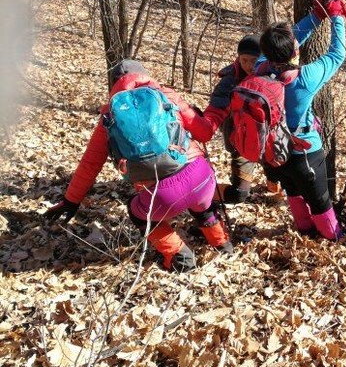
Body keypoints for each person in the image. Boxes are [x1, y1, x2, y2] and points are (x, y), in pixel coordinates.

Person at [45, 60, 230, 272]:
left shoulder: (110, 116)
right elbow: (204, 132)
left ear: (114, 83)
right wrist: (216, 111)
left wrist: (71, 200)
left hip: (162, 197)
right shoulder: (168, 96)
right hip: (202, 177)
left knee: (137, 212)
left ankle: (179, 256)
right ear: (145, 76)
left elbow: (90, 164)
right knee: (202, 204)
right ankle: (223, 245)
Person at [255, 0, 346, 240]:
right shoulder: (304, 79)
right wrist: (336, 17)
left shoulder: (259, 69)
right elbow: (337, 54)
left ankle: (305, 232)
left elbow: (288, 42)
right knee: (321, 203)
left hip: (275, 151)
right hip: (304, 152)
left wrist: (316, 16)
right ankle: (333, 239)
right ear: (295, 50)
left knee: (293, 191)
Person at [200, 35, 282, 204]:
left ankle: (273, 185)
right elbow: (216, 108)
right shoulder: (229, 80)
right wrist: (204, 128)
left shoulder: (273, 74)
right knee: (238, 194)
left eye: (254, 60)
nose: (249, 66)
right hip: (241, 144)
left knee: (278, 181)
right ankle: (200, 193)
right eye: (244, 60)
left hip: (270, 143)